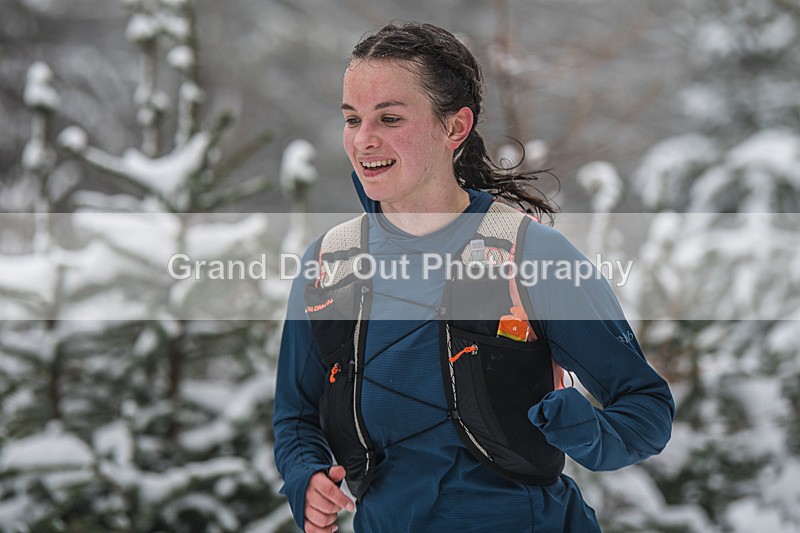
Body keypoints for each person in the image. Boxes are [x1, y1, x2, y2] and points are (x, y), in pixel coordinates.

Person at [273, 22, 674, 533]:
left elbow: (646, 408)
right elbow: (296, 418)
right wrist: (305, 476)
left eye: (390, 118)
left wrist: (586, 430)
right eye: (352, 119)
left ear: (455, 128)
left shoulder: (531, 254)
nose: (364, 140)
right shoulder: (329, 264)